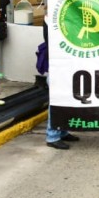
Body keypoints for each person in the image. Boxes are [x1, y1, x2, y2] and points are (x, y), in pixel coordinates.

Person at [41, 21, 79, 150]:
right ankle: (52, 136)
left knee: (65, 100)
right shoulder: (50, 20)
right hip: (57, 67)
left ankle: (62, 131)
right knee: (57, 101)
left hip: (65, 66)